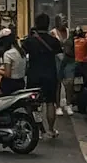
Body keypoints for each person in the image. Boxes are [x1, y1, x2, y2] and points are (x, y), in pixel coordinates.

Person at [23, 12, 63, 140]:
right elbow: (60, 58)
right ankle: (50, 130)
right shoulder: (54, 41)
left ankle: (37, 129)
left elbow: (23, 57)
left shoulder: (29, 41)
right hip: (50, 75)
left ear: (35, 24)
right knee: (50, 103)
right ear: (48, 25)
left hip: (34, 75)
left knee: (33, 104)